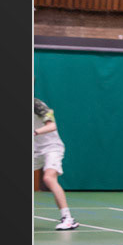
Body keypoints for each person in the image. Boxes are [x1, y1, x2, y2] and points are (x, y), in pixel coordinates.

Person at [33, 97, 77, 230]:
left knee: (48, 178)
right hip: (35, 149)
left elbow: (52, 126)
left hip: (51, 147)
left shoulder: (37, 105)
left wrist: (35, 132)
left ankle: (67, 218)